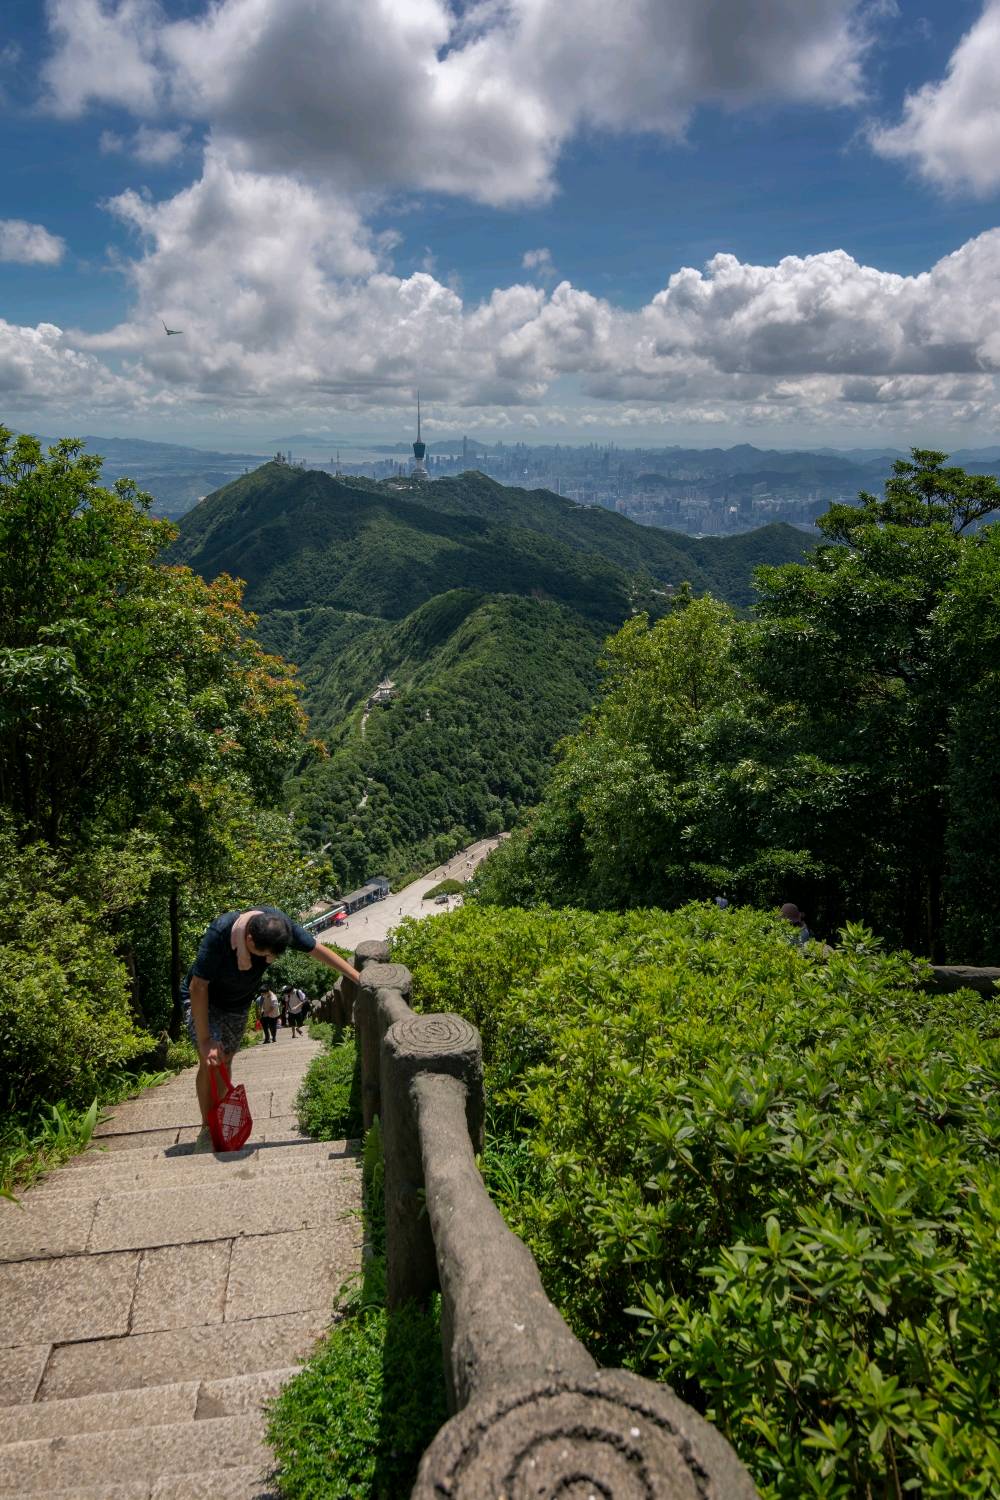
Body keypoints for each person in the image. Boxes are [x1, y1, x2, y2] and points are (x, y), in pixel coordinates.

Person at [182, 906, 360, 1150]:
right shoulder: (221, 932)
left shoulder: (280, 927)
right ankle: (206, 1130)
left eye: (271, 956)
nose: (265, 960)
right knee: (209, 1059)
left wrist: (358, 978)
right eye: (260, 953)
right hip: (205, 999)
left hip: (237, 1003)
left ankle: (219, 1121)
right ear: (249, 938)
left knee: (225, 1059)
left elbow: (317, 950)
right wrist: (204, 1040)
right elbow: (198, 986)